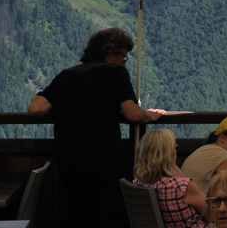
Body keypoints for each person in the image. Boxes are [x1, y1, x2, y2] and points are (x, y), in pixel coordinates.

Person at [28, 26, 165, 228]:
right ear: (111, 53)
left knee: (77, 218)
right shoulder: (115, 72)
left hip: (69, 161)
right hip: (103, 161)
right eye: (124, 57)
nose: (124, 63)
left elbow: (36, 108)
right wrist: (151, 116)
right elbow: (132, 113)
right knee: (105, 218)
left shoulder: (67, 75)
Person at [134, 128, 209, 228]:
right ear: (170, 153)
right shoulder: (183, 187)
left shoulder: (138, 184)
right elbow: (211, 214)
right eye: (175, 147)